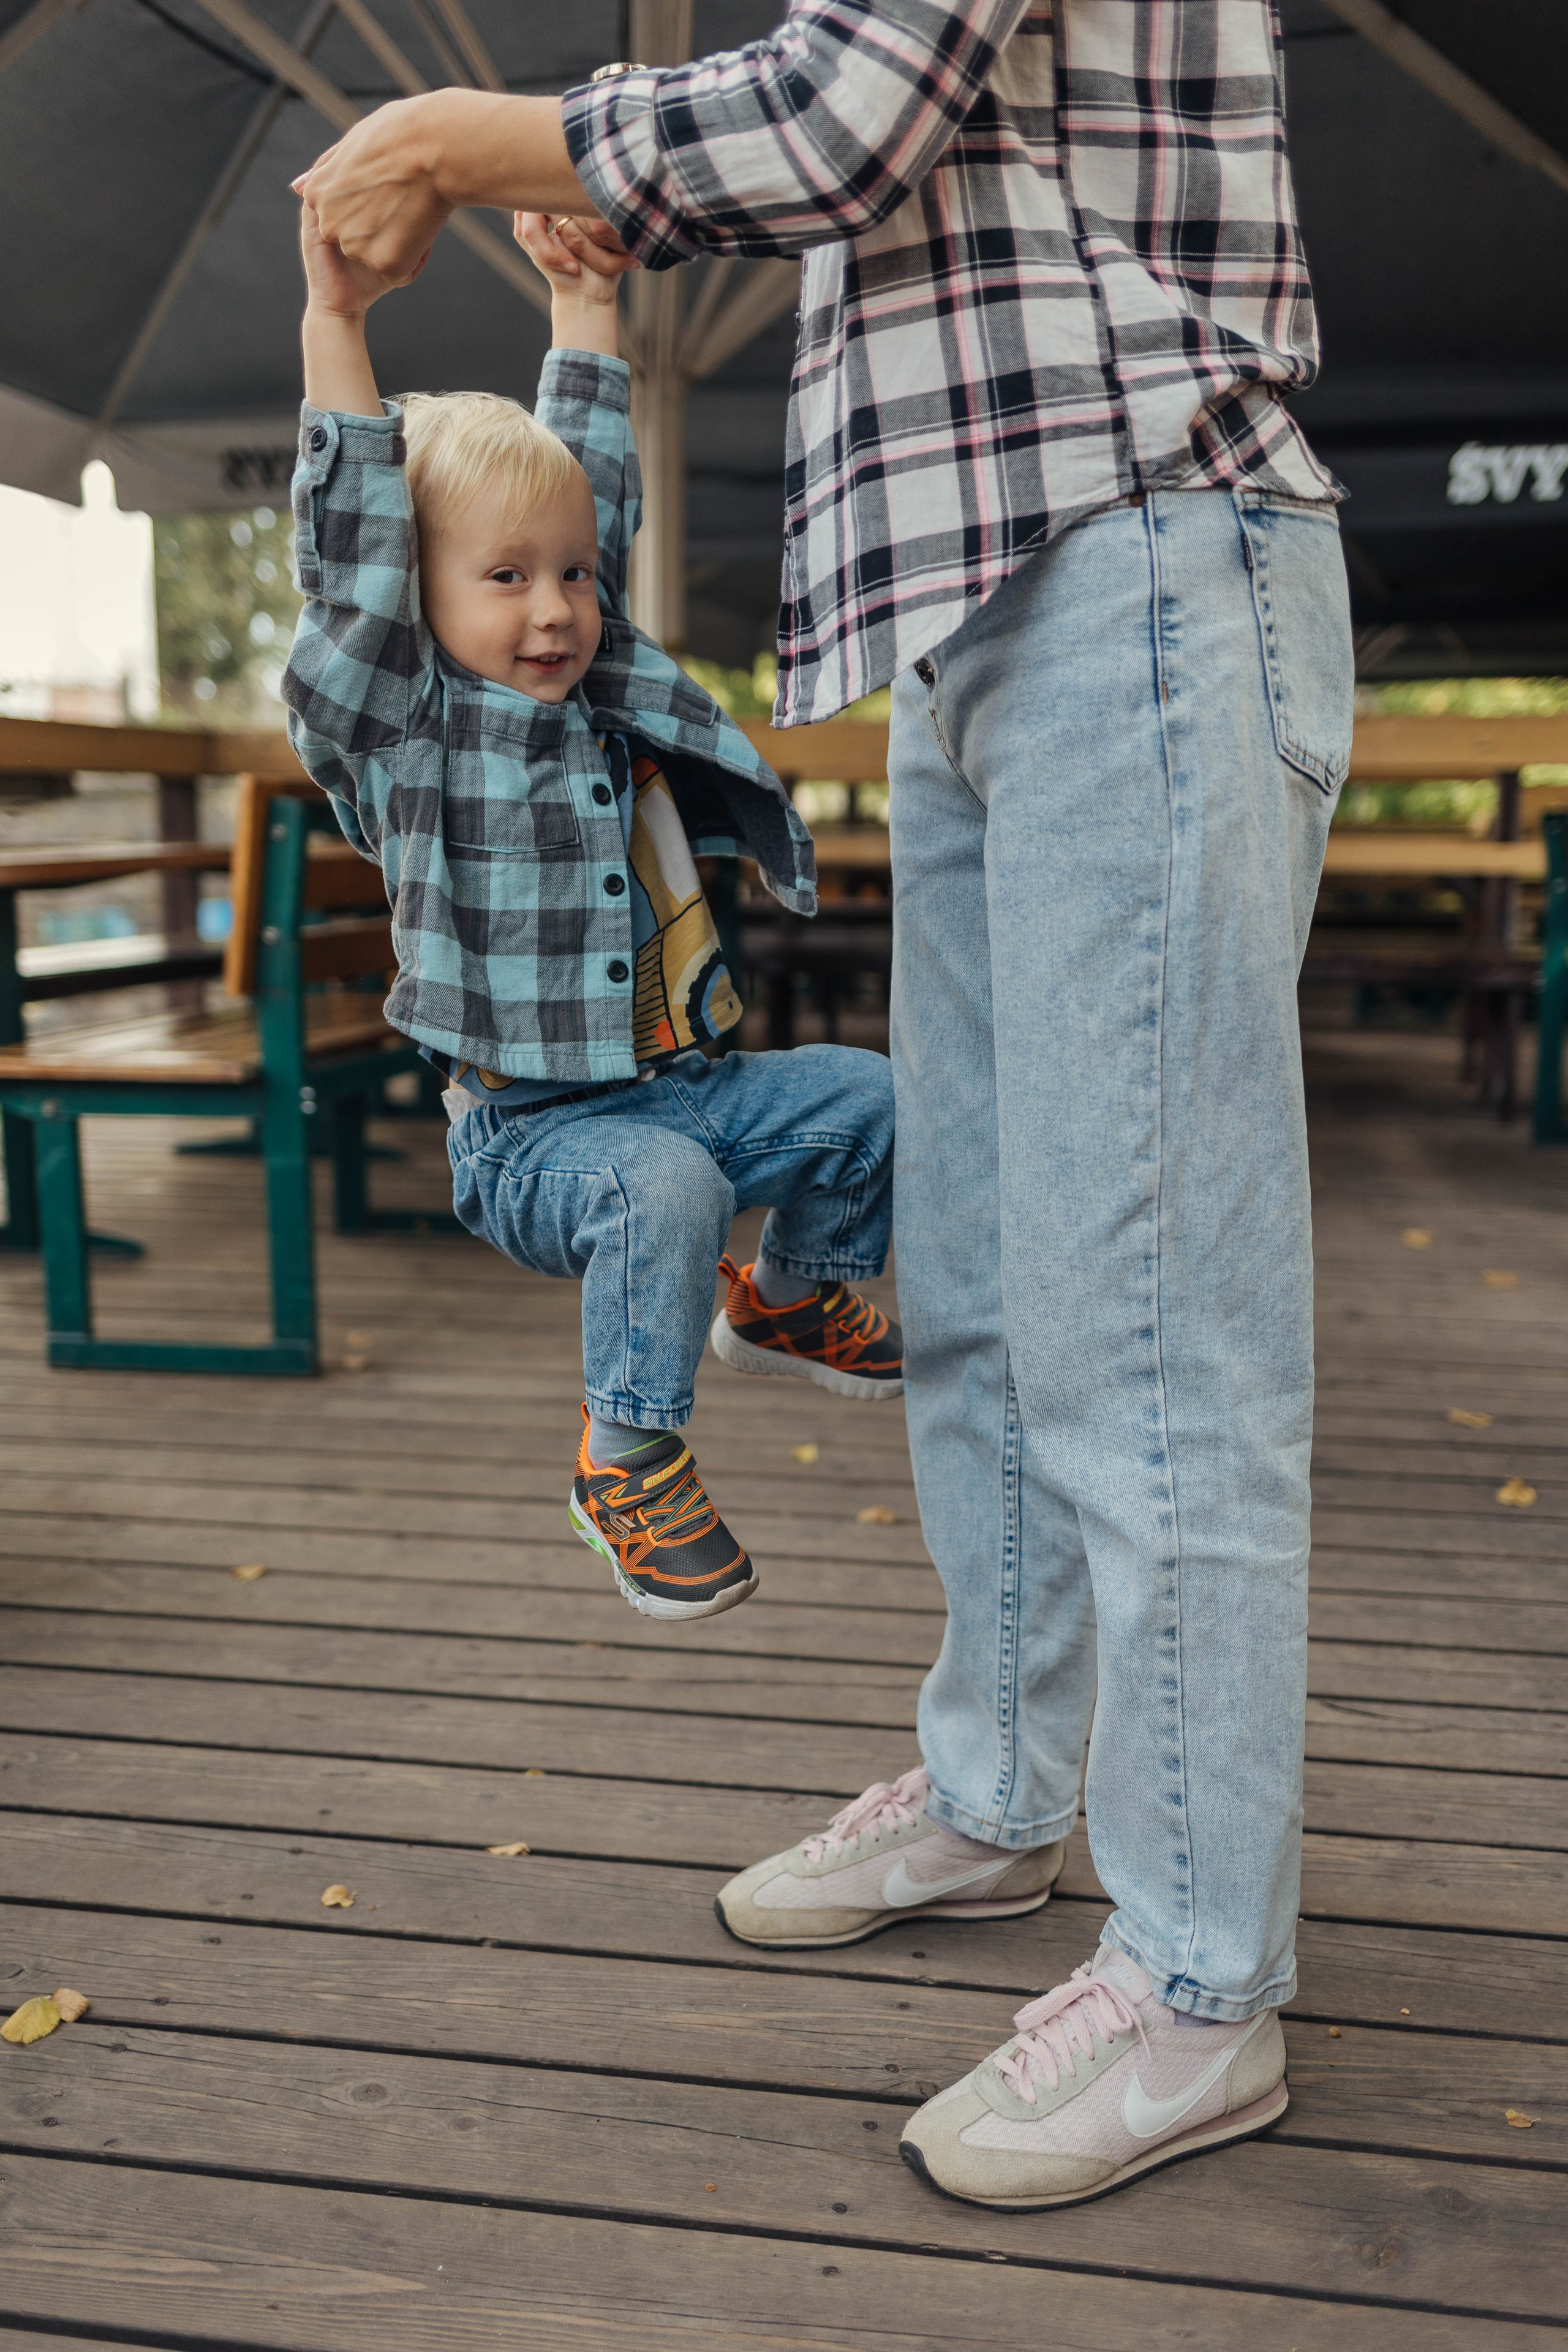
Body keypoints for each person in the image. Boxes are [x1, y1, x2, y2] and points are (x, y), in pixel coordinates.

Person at [297, 0, 1355, 2211]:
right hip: (979, 611)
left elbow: (852, 110)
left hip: (1142, 539)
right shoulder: (411, 692)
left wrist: (462, 137)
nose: (554, 605)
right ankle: (993, 1795)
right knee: (971, 1262)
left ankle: (1190, 1985)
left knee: (1150, 1327)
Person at [282, 199, 903, 1626]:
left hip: (689, 1090)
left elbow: (593, 504)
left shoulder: (599, 678)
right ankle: (625, 1454)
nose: (554, 607)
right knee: (666, 1192)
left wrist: (585, 309)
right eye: (503, 579)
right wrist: (336, 326)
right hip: (537, 1139)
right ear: (412, 601)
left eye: (564, 577)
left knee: (872, 1099)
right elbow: (355, 563)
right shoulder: (407, 727)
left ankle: (788, 1295)